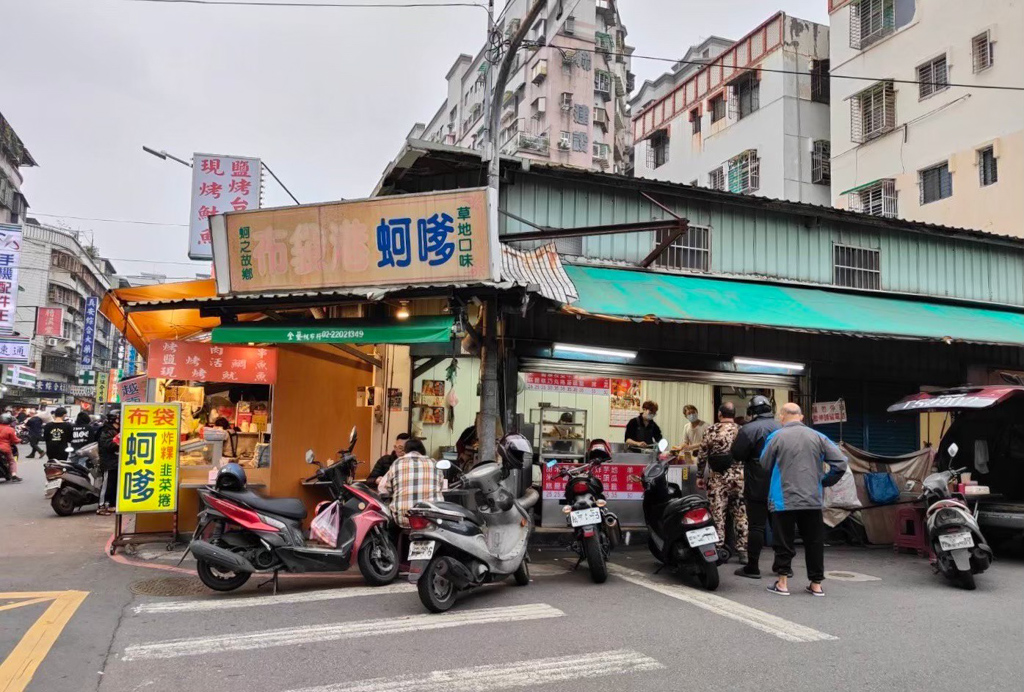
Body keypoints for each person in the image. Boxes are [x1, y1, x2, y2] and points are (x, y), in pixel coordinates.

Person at [760, 403, 847, 597]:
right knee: (814, 541)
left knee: (784, 540)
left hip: (783, 499)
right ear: (801, 417)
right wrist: (824, 481)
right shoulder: (819, 437)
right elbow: (841, 463)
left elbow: (764, 464)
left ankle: (782, 583)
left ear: (782, 417)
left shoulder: (776, 436)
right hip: (812, 498)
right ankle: (816, 584)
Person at [730, 395, 782, 579]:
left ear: (751, 411)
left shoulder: (748, 429)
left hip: (757, 483)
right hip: (781, 484)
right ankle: (784, 567)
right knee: (781, 525)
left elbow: (736, 453)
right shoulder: (782, 427)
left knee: (756, 526)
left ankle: (753, 567)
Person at [696, 402, 746, 562]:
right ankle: (743, 551)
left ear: (719, 414)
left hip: (717, 478)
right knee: (740, 514)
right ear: (733, 414)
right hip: (739, 477)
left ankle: (718, 548)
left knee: (718, 514)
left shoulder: (711, 430)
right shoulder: (741, 430)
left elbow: (702, 454)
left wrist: (699, 475)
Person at [378, 438, 444, 528]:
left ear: (405, 451)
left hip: (404, 519)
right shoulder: (433, 463)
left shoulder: (397, 463)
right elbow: (440, 486)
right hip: (432, 518)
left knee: (390, 527)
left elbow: (385, 488)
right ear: (422, 451)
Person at [97, 412, 120, 515]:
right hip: (108, 462)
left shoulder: (116, 431)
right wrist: (117, 440)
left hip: (115, 462)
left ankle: (111, 505)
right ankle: (101, 506)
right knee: (107, 485)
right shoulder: (106, 431)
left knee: (114, 485)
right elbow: (108, 445)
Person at [0, 413, 23, 482]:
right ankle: (14, 475)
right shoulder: (10, 429)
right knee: (12, 461)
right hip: (4, 448)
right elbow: (15, 440)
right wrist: (20, 440)